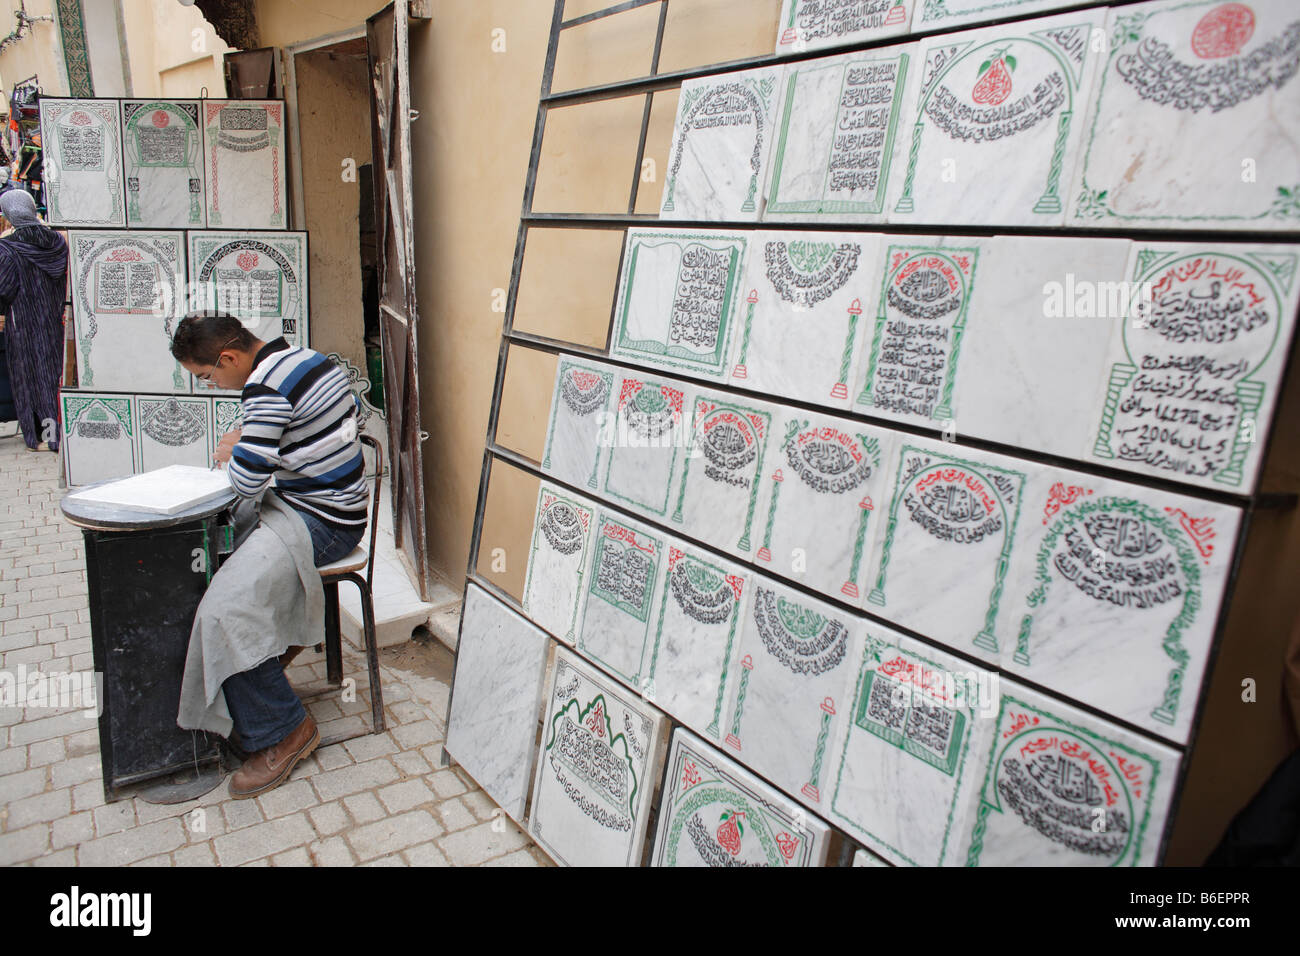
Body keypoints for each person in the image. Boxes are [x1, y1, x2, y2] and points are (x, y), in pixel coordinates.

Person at [170, 311, 368, 798]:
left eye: (208, 376)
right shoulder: (307, 358)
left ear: (229, 357)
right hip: (329, 504)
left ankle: (284, 730)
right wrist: (259, 449)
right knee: (217, 563)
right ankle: (258, 678)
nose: (214, 386)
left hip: (322, 519)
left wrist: (233, 451)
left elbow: (245, 482)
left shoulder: (264, 390)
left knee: (221, 610)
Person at [0, 188, 67, 452]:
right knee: (54, 377)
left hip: (24, 326)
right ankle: (58, 435)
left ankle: (40, 437)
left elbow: (4, 290)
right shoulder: (58, 243)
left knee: (30, 380)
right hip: (57, 322)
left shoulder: (7, 250)